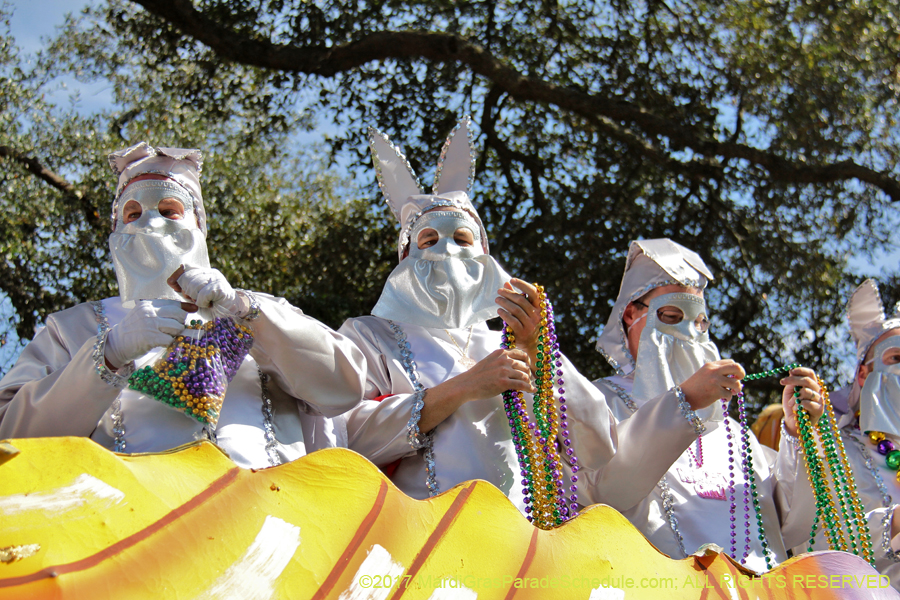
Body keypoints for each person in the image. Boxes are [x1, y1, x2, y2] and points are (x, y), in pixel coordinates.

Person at [336, 118, 703, 523]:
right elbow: (344, 435)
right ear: (406, 258)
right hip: (417, 541)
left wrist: (538, 354)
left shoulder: (516, 340)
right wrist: (464, 388)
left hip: (522, 549)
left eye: (462, 239)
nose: (447, 250)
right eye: (429, 240)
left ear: (484, 254)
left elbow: (598, 448)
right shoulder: (369, 335)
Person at [0, 142, 367, 468]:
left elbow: (346, 388)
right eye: (133, 213)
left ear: (199, 224)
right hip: (129, 526)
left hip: (267, 520)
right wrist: (110, 352)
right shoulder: (72, 327)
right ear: (116, 233)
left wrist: (246, 310)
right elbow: (12, 437)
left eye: (169, 209)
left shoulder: (261, 311)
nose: (151, 222)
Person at [592, 238, 821, 573]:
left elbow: (791, 527)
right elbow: (602, 491)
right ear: (631, 314)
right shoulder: (600, 400)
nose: (689, 332)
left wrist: (796, 435)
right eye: (672, 315)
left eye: (700, 322)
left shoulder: (734, 432)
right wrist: (682, 403)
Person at [798, 279, 900, 588]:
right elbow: (814, 539)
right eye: (896, 358)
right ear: (862, 373)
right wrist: (894, 523)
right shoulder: (829, 446)